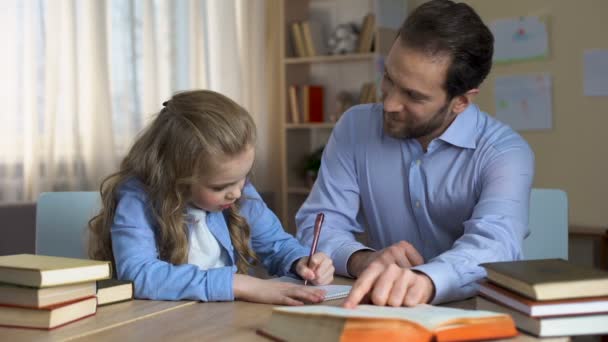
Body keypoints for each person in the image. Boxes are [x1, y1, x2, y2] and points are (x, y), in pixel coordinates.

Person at [295, 0, 534, 307]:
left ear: (460, 101)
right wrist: (362, 260)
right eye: (389, 79)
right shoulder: (355, 127)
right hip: (383, 308)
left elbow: (496, 246)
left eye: (412, 95)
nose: (390, 104)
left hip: (471, 313)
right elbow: (317, 225)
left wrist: (425, 280)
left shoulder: (505, 153)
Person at [89, 90, 334, 305]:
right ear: (178, 176)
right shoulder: (138, 197)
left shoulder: (238, 191)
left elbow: (277, 244)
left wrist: (301, 262)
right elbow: (138, 274)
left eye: (244, 177)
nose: (237, 192)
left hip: (220, 321)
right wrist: (239, 284)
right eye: (220, 187)